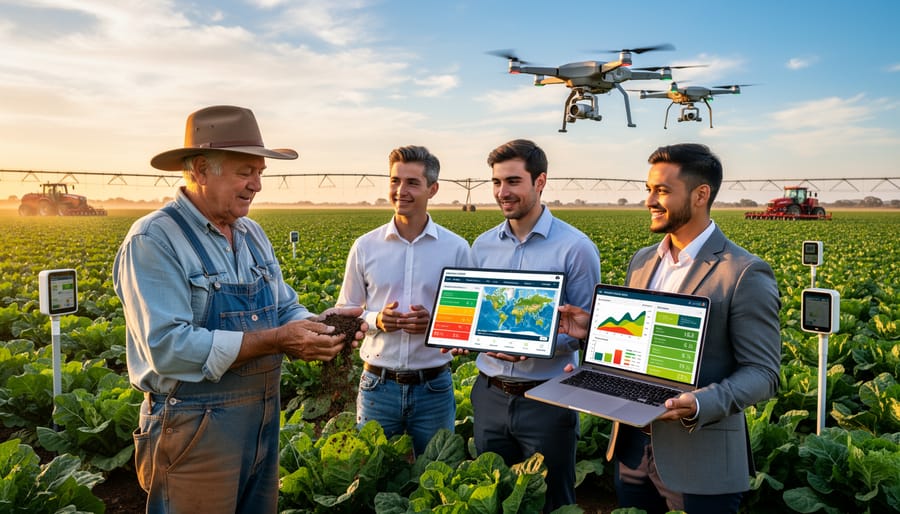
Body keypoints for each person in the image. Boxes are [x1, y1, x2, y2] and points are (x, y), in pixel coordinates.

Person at [113, 105, 366, 514]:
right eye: (245, 171)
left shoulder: (251, 233)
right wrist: (279, 340)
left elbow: (284, 307)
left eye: (260, 172)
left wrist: (316, 327)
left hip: (263, 419)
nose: (257, 185)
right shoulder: (154, 239)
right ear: (199, 169)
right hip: (195, 428)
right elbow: (169, 347)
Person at [558, 143, 782, 514]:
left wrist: (698, 403)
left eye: (661, 190)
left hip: (700, 461)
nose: (649, 200)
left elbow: (764, 373)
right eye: (649, 189)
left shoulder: (743, 272)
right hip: (631, 451)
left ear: (700, 195)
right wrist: (594, 331)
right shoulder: (644, 260)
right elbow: (639, 339)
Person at [462, 139, 601, 512]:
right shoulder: (483, 246)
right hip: (489, 392)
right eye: (496, 182)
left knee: (553, 500)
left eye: (512, 181)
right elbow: (477, 315)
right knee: (495, 498)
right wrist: (464, 336)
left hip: (548, 397)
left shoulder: (575, 248)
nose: (502, 193)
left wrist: (535, 344)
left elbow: (583, 330)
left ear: (540, 182)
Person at [336, 145, 472, 455]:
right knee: (371, 475)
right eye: (395, 181)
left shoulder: (456, 248)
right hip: (376, 385)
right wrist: (376, 320)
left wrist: (435, 322)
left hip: (434, 387)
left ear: (432, 189)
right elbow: (345, 313)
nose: (401, 191)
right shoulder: (365, 246)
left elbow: (468, 321)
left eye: (412, 183)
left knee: (437, 477)